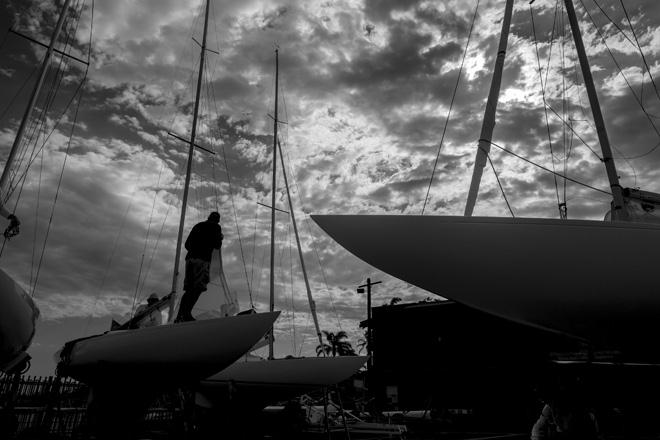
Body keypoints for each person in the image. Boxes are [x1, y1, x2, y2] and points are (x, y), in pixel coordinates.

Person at [175, 211, 223, 323]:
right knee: (197, 289)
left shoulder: (198, 225)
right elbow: (217, 246)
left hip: (190, 260)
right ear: (217, 220)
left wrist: (195, 249)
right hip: (202, 261)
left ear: (208, 217)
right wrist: (220, 237)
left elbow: (187, 244)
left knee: (189, 289)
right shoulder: (216, 227)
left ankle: (180, 316)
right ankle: (186, 314)